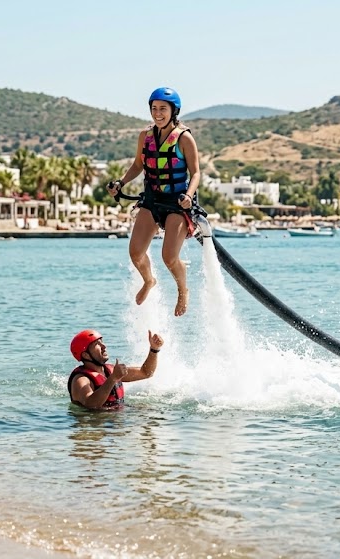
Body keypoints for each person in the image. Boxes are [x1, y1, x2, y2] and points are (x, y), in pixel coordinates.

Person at [107, 87, 201, 317]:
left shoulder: (184, 138)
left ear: (173, 111)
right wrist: (121, 183)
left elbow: (196, 173)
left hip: (177, 203)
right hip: (151, 200)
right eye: (154, 108)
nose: (158, 113)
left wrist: (188, 196)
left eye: (163, 109)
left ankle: (183, 290)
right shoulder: (145, 136)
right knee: (136, 253)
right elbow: (138, 165)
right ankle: (149, 280)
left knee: (169, 257)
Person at [67, 329, 164, 410]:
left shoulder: (111, 370)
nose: (104, 347)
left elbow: (146, 372)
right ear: (85, 355)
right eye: (97, 344)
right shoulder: (81, 380)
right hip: (96, 425)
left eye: (102, 342)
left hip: (115, 419)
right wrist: (113, 378)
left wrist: (154, 350)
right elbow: (91, 405)